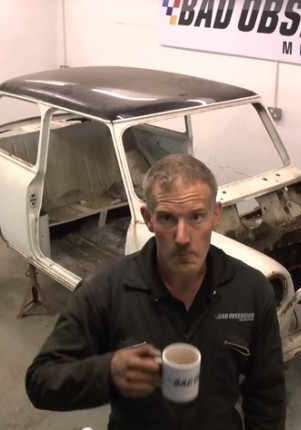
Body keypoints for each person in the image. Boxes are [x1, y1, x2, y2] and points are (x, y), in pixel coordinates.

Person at [25, 154, 286, 430]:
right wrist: (107, 373)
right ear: (148, 219)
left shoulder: (251, 291)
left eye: (196, 217)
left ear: (216, 216)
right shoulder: (106, 290)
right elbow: (40, 381)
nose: (182, 237)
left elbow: (266, 395)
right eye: (167, 218)